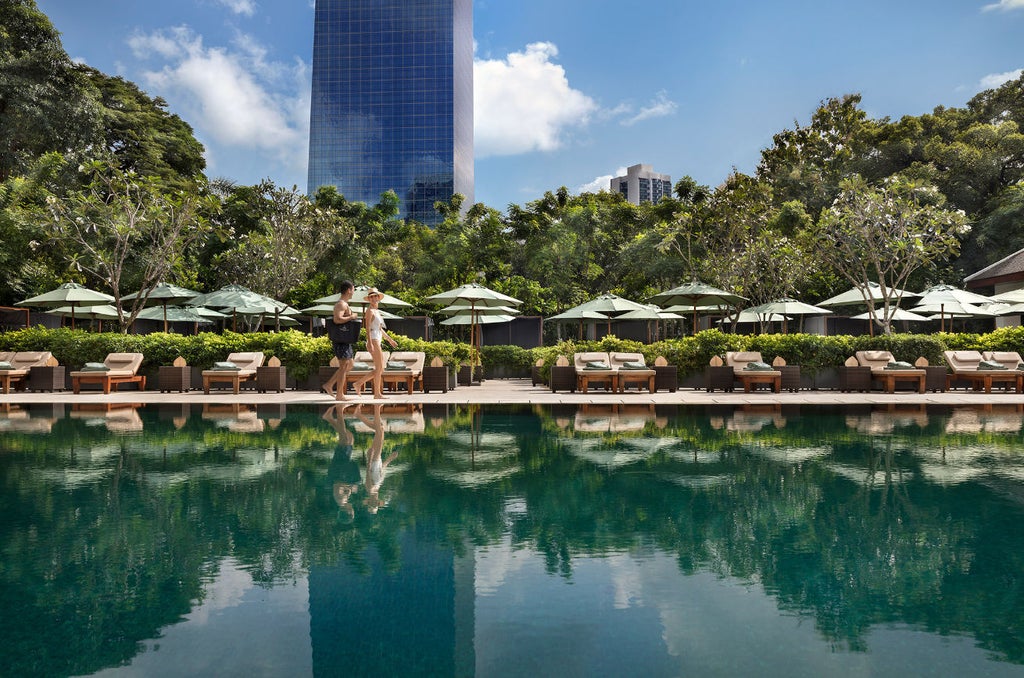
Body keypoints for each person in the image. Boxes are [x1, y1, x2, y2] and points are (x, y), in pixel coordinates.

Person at [351, 286, 397, 399]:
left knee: (380, 368)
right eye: (371, 297)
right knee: (380, 367)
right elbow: (367, 328)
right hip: (373, 339)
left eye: (375, 296)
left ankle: (361, 385)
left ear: (378, 298)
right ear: (369, 299)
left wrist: (389, 339)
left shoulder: (377, 311)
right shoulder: (369, 311)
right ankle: (374, 392)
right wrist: (370, 343)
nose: (374, 298)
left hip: (378, 338)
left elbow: (380, 328)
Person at [355, 404, 398, 514]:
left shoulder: (370, 489)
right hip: (377, 460)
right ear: (379, 502)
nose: (374, 502)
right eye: (376, 504)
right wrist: (390, 459)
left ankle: (376, 408)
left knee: (379, 430)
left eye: (371, 504)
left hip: (373, 459)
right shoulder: (377, 488)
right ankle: (360, 414)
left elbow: (368, 472)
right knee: (380, 429)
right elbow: (381, 469)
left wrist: (369, 457)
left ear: (369, 501)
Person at [324, 281, 357, 401]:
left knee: (350, 364)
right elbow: (337, 320)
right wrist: (352, 317)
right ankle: (339, 394)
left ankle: (329, 384)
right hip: (341, 340)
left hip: (346, 340)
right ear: (349, 290)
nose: (353, 292)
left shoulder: (345, 304)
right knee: (343, 366)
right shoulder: (341, 304)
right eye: (353, 289)